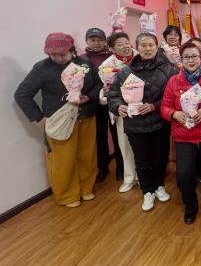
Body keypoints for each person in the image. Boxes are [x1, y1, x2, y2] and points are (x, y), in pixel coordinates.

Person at [15, 33, 101, 207]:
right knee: (63, 160)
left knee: (87, 156)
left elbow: (98, 84)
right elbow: (22, 94)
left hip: (85, 116)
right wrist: (39, 118)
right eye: (53, 54)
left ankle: (85, 188)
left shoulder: (85, 63)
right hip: (60, 121)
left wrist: (89, 97)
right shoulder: (42, 68)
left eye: (62, 53)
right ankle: (67, 195)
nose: (58, 57)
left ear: (72, 49)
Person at [160, 43, 201, 224]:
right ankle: (190, 207)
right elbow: (165, 107)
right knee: (184, 173)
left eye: (194, 56)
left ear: (200, 58)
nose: (191, 60)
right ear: (181, 60)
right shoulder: (173, 82)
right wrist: (174, 114)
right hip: (184, 135)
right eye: (186, 57)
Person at [107, 33, 175, 212]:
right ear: (136, 47)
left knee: (160, 157)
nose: (147, 48)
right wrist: (118, 107)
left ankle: (159, 186)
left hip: (159, 122)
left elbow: (173, 95)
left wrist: (154, 106)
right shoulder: (125, 71)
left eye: (151, 45)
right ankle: (147, 191)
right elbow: (113, 95)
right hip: (135, 125)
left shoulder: (167, 69)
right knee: (142, 160)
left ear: (157, 46)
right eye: (143, 45)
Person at [98, 32, 139, 193]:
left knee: (144, 146)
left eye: (127, 42)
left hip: (142, 109)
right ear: (112, 49)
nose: (125, 46)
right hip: (122, 110)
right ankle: (130, 177)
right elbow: (104, 92)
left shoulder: (141, 57)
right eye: (120, 44)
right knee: (125, 145)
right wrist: (104, 93)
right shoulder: (107, 66)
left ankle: (144, 177)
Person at [80, 28, 120, 183]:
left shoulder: (113, 57)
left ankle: (121, 166)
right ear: (86, 41)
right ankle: (102, 167)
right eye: (92, 40)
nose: (96, 43)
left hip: (113, 101)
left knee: (117, 134)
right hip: (93, 103)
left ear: (105, 41)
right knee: (99, 137)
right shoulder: (81, 59)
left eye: (100, 39)